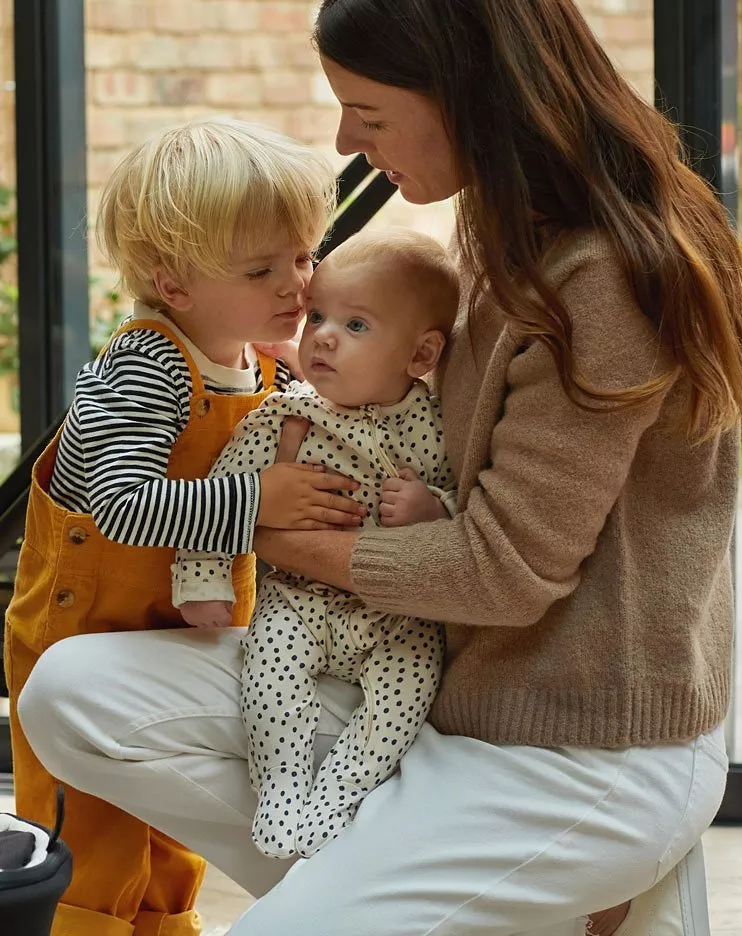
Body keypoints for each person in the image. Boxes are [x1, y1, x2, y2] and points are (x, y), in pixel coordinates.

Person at [16, 1, 742, 934]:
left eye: (367, 115)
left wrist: (260, 520)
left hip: (583, 750)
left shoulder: (603, 275)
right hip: (457, 700)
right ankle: (457, 895)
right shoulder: (502, 227)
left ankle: (491, 886)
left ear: (470, 95)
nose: (345, 141)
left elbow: (501, 568)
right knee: (70, 692)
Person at [4, 115, 365, 936]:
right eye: (262, 268)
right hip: (81, 628)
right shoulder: (148, 363)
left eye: (306, 256)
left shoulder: (264, 363)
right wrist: (263, 502)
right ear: (174, 285)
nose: (296, 285)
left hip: (188, 627)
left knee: (171, 833)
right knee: (89, 836)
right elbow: (123, 506)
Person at [173, 228, 458, 860]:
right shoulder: (283, 417)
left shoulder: (437, 429)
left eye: (357, 325)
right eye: (319, 316)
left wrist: (433, 509)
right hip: (297, 601)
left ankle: (338, 794)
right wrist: (203, 580)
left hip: (397, 616)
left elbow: (476, 513)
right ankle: (281, 787)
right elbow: (223, 494)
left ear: (420, 355)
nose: (323, 335)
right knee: (269, 674)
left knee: (407, 694)